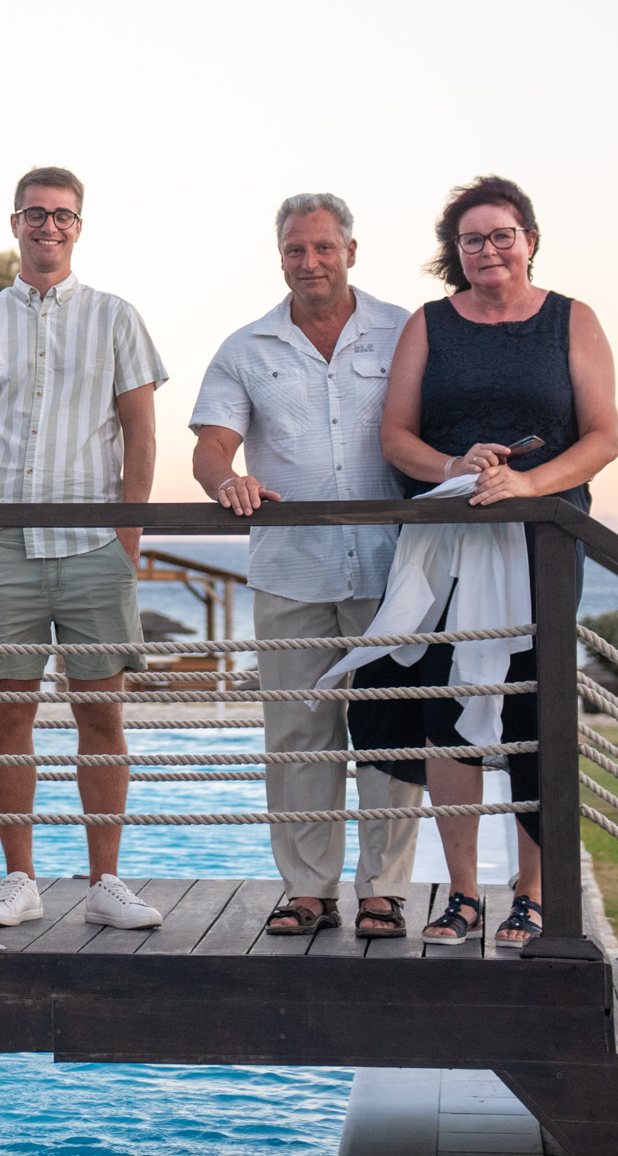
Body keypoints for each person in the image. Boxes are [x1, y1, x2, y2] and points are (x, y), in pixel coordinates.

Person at [380, 175, 618, 947]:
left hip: (543, 540)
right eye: (472, 239)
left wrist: (527, 485)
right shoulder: (428, 324)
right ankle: (462, 894)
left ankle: (532, 894)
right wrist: (456, 464)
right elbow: (395, 437)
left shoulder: (572, 320)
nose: (488, 249)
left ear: (530, 240)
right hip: (449, 542)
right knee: (446, 710)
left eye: (501, 235)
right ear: (457, 251)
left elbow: (603, 436)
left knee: (531, 711)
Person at [0, 166, 167, 932]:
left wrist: (127, 537)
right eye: (35, 213)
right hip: (2, 547)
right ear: (15, 223)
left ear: (79, 226)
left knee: (102, 715)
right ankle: (20, 880)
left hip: (95, 546)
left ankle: (106, 882)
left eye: (62, 214)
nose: (49, 225)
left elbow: (142, 434)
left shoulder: (116, 318)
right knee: (9, 716)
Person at [190, 192, 421, 938]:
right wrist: (225, 480)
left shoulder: (405, 331)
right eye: (296, 248)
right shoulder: (245, 347)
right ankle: (308, 890)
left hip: (392, 571)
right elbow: (211, 446)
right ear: (280, 256)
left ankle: (384, 889)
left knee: (390, 730)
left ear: (351, 250)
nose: (310, 261)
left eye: (323, 247)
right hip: (290, 572)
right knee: (297, 736)